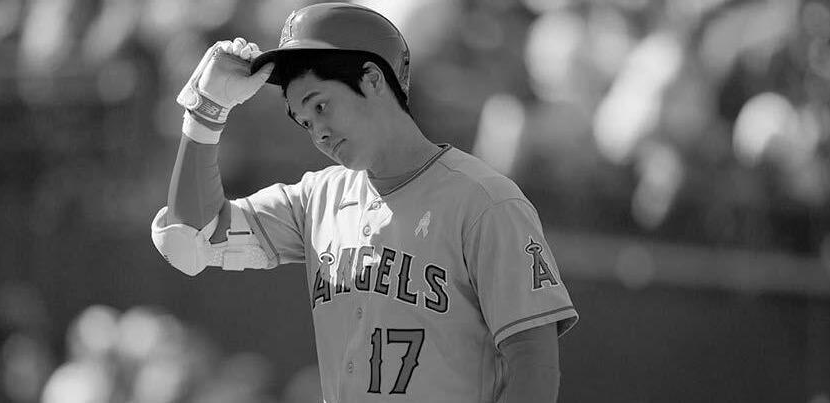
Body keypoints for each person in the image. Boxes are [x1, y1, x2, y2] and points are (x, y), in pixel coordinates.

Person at [151, 3, 578, 402]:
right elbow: (190, 239)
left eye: (321, 105)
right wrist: (205, 114)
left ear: (373, 78)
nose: (318, 132)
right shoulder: (316, 199)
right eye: (305, 122)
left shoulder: (486, 201)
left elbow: (533, 362)